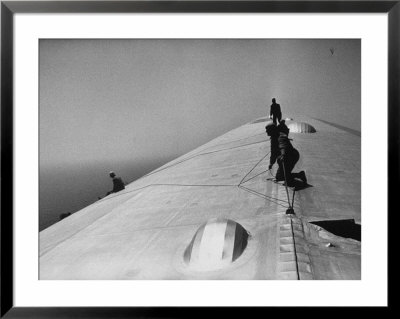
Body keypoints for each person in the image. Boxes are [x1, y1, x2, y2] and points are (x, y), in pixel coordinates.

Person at [268, 121, 307, 186]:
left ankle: (300, 175)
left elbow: (283, 145)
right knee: (279, 177)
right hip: (285, 157)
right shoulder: (273, 138)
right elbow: (273, 153)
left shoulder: (280, 136)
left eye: (267, 130)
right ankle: (299, 175)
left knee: (287, 179)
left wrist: (283, 154)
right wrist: (271, 163)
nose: (266, 132)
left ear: (272, 130)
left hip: (291, 156)